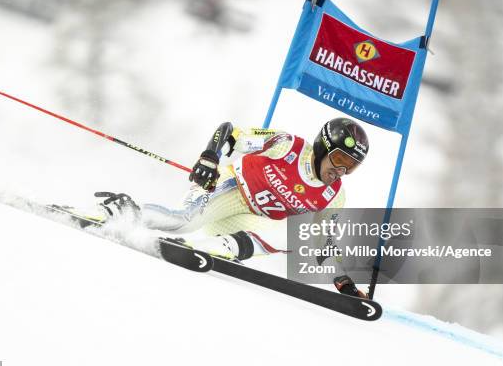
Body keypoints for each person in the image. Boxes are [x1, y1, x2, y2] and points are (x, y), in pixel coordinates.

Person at [97, 117, 369, 297]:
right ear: (323, 147)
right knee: (184, 222)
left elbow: (323, 244)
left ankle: (220, 249)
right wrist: (209, 157)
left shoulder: (335, 197)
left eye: (352, 166)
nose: (341, 170)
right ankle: (128, 212)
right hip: (230, 189)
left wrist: (344, 284)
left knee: (301, 234)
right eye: (339, 159)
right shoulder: (286, 145)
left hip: (245, 225)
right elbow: (230, 133)